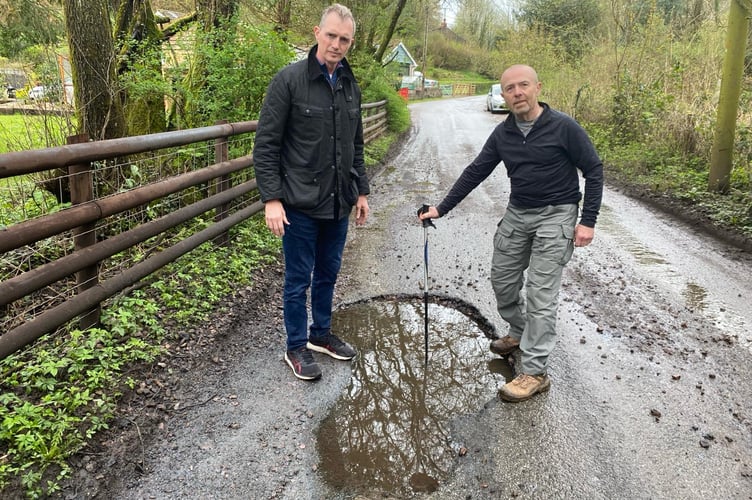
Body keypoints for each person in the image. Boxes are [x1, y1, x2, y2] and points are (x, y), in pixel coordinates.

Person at [418, 64, 603, 402]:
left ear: (537, 88)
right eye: (510, 88)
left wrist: (587, 220)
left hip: (557, 214)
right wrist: (441, 208)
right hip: (518, 212)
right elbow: (477, 170)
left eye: (523, 86)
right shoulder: (504, 133)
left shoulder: (564, 127)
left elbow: (593, 168)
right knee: (502, 281)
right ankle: (519, 331)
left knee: (540, 294)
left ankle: (534, 371)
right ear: (503, 95)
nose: (517, 93)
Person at [253, 4, 370, 381]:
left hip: (338, 203)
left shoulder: (350, 85)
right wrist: (271, 198)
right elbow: (266, 144)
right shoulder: (289, 81)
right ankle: (296, 346)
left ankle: (321, 334)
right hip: (299, 204)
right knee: (297, 278)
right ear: (318, 33)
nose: (337, 44)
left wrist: (362, 193)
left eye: (345, 39)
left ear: (351, 42)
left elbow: (356, 145)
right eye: (332, 35)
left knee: (328, 274)